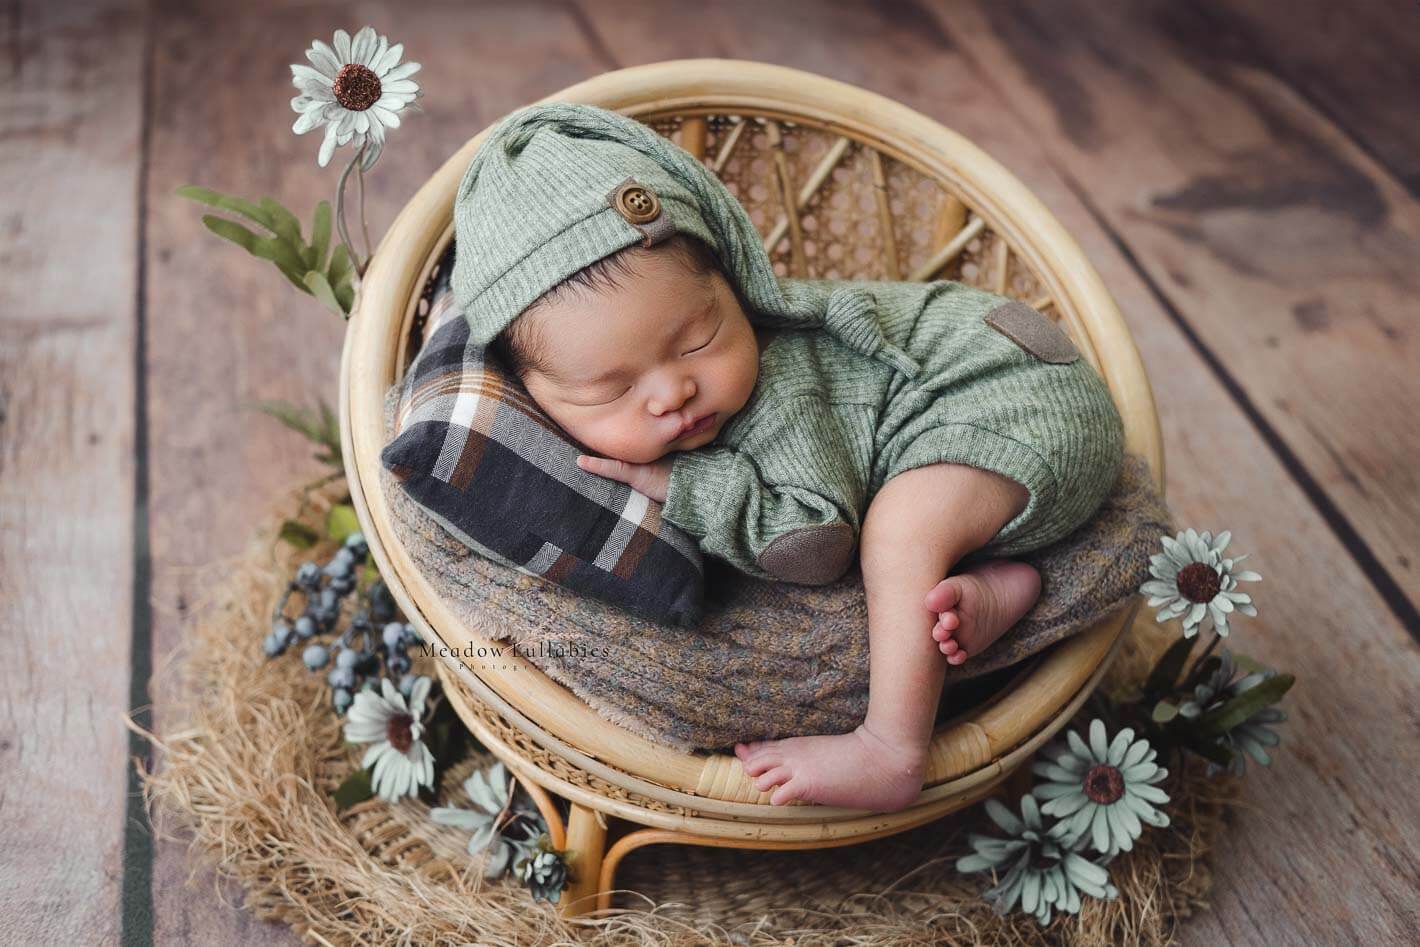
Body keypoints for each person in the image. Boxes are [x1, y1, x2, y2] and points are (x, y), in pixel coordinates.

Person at [450, 102, 1125, 812]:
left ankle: (890, 748)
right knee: (923, 523)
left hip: (1018, 398)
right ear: (531, 394)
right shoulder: (598, 381)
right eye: (613, 388)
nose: (674, 391)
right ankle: (995, 587)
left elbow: (815, 543)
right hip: (999, 440)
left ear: (734, 287)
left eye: (697, 341)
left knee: (898, 531)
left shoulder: (785, 391)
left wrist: (684, 484)